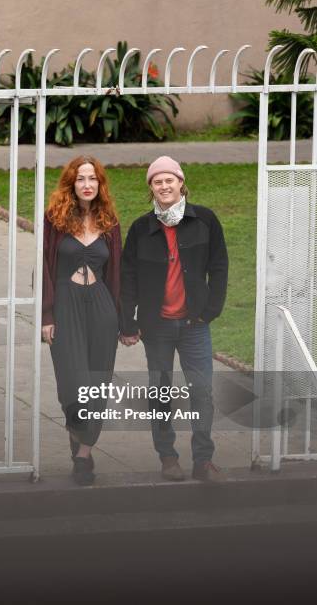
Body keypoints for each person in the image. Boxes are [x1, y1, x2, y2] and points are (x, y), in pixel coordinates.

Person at [120, 156, 228, 482]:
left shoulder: (205, 220)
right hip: (157, 327)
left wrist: (211, 310)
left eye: (169, 180)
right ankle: (168, 457)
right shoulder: (141, 228)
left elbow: (219, 266)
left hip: (195, 326)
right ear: (150, 188)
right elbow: (128, 277)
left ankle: (203, 460)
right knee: (160, 391)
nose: (164, 186)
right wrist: (128, 321)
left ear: (181, 182)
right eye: (157, 181)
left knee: (202, 392)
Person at [42, 156, 121, 486]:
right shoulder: (55, 220)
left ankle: (83, 455)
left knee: (97, 385)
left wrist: (123, 321)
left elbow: (116, 274)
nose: (87, 184)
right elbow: (45, 268)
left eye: (93, 179)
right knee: (72, 387)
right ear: (71, 184)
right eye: (80, 179)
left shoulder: (110, 222)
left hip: (101, 307)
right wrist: (47, 315)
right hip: (66, 305)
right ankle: (79, 439)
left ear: (100, 184)